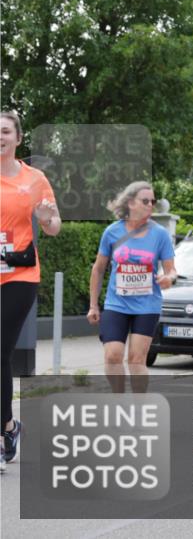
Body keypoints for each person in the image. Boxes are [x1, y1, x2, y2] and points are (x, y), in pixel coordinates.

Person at [0, 111, 60, 468]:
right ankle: (9, 425)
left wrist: (46, 218)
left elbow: (54, 227)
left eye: (5, 131)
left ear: (18, 138)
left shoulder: (34, 179)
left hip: (19, 275)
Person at [86, 182, 177, 393]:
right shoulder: (112, 232)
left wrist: (168, 278)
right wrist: (93, 306)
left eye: (152, 201)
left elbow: (171, 270)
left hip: (147, 305)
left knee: (136, 360)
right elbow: (98, 269)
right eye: (145, 201)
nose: (150, 205)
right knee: (112, 355)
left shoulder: (159, 234)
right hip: (116, 303)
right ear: (130, 203)